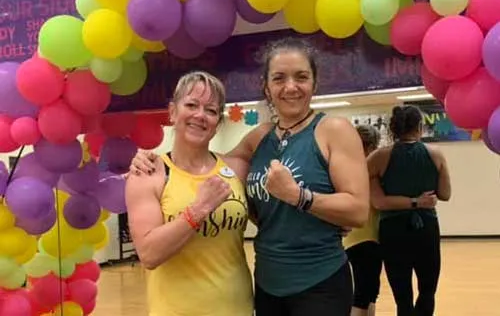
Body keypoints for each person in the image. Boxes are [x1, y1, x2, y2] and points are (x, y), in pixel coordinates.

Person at [130, 37, 370, 316]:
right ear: (266, 87)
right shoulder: (259, 138)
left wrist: (300, 197)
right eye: (279, 78)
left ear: (314, 84)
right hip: (267, 284)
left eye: (301, 77)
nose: (290, 86)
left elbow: (358, 211)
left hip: (318, 280)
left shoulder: (334, 129)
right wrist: (147, 159)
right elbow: (211, 165)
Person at [125, 71, 254, 316]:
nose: (200, 115)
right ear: (173, 112)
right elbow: (149, 254)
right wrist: (198, 210)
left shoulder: (235, 169)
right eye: (191, 104)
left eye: (211, 110)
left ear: (218, 123)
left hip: (239, 308)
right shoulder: (150, 173)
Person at [367, 105, 451, 316]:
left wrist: (411, 201)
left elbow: (379, 202)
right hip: (426, 228)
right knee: (427, 291)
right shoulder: (436, 154)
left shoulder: (378, 158)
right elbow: (445, 194)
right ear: (420, 127)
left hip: (393, 231)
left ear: (393, 129)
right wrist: (419, 201)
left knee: (402, 297)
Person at [343, 125, 383, 316]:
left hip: (352, 238)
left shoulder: (343, 169)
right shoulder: (369, 169)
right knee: (363, 295)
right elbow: (379, 201)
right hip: (367, 238)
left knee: (368, 293)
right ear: (370, 146)